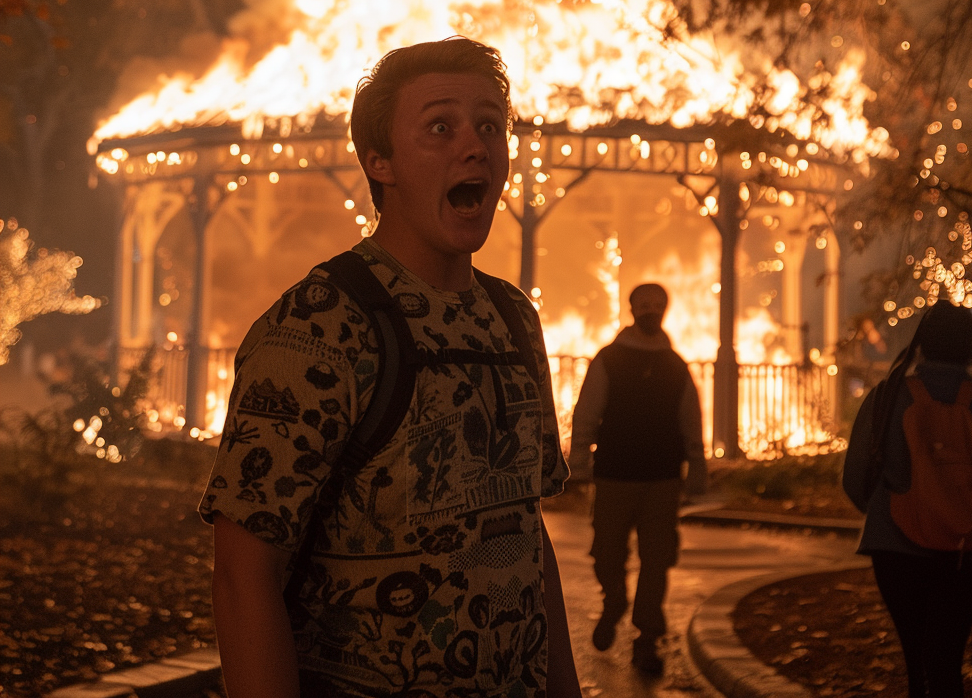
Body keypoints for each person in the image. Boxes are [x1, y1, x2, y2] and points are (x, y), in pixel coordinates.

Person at [200, 38, 581, 698]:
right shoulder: (318, 324)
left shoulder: (515, 317)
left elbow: (526, 530)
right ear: (380, 161)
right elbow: (244, 569)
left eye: (490, 126)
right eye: (440, 127)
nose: (475, 146)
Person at [843, 299, 972, 698]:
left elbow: (855, 480)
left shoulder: (886, 398)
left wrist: (888, 515)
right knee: (946, 660)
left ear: (920, 344)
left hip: (897, 553)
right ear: (969, 348)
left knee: (916, 661)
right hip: (966, 556)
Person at [568, 282, 707, 676]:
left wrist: (696, 470)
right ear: (631, 309)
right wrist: (580, 463)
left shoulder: (676, 365)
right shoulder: (608, 359)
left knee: (656, 560)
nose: (650, 310)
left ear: (665, 309)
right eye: (642, 304)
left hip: (662, 481)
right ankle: (614, 602)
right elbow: (587, 412)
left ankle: (647, 639)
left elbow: (690, 422)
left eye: (656, 304)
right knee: (606, 553)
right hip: (613, 477)